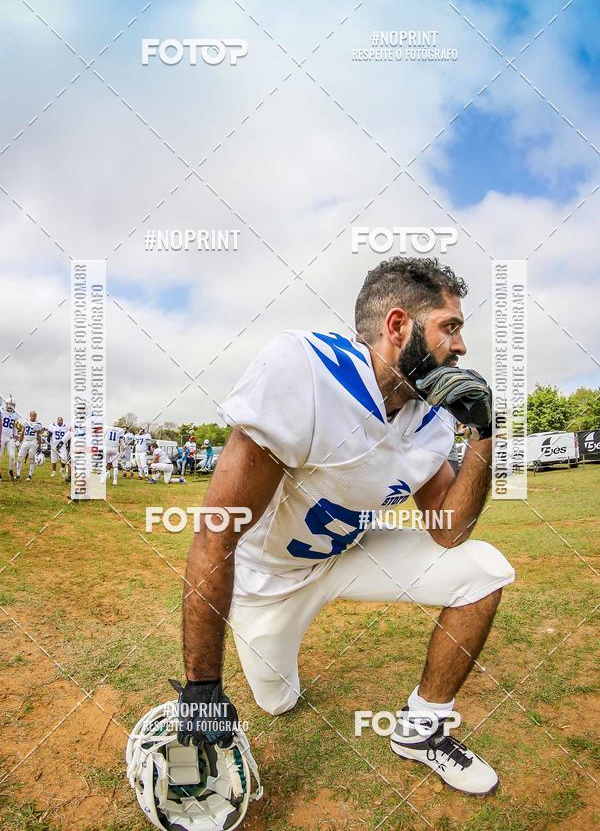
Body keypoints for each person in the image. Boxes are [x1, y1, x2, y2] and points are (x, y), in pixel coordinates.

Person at [177, 257, 515, 797]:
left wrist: (483, 436)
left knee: (484, 570)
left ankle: (422, 729)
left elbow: (449, 531)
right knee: (277, 700)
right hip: (273, 577)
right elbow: (218, 531)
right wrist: (202, 688)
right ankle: (269, 666)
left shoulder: (432, 416)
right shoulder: (306, 370)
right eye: (450, 327)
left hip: (351, 553)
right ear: (398, 325)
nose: (461, 347)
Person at [16, 410, 42, 482]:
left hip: (33, 440)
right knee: (19, 457)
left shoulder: (38, 424)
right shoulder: (25, 422)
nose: (34, 417)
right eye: (33, 416)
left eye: (35, 416)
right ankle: (18, 474)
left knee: (31, 456)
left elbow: (39, 436)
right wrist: (19, 441)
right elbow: (22, 433)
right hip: (26, 440)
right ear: (30, 416)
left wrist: (39, 445)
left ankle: (30, 475)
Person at [0, 395, 19, 481]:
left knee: (12, 456)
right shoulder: (1, 411)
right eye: (10, 404)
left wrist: (16, 437)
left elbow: (14, 426)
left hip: (10, 437)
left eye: (12, 405)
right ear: (6, 404)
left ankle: (11, 471)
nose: (11, 406)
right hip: (2, 436)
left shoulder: (15, 415)